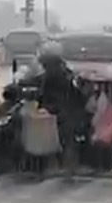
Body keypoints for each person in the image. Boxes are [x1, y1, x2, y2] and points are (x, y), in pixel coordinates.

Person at [29, 41, 91, 172]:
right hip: (62, 108)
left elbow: (42, 81)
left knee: (61, 134)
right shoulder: (63, 70)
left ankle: (63, 164)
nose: (43, 65)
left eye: (44, 63)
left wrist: (28, 84)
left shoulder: (56, 72)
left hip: (65, 111)